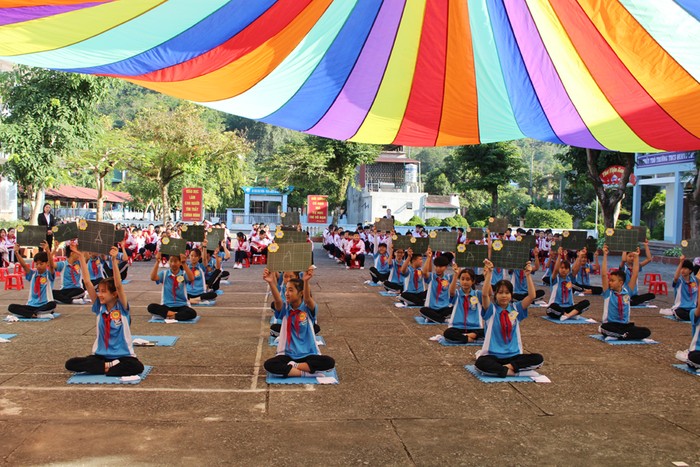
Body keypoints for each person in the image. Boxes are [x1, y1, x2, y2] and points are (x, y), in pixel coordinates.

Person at [65, 246, 144, 377]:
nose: (99, 295)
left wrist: (113, 260)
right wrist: (81, 258)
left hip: (123, 356)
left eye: (103, 292)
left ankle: (105, 368)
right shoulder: (99, 307)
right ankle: (109, 368)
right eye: (99, 291)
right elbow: (87, 282)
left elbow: (118, 285)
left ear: (114, 294)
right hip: (101, 357)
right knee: (71, 364)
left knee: (136, 366)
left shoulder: (122, 307)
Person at [474, 259, 544, 378]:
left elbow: (532, 296)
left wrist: (528, 275)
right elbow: (485, 294)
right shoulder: (491, 310)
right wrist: (489, 273)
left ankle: (506, 369)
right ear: (495, 295)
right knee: (481, 364)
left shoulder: (516, 309)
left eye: (507, 293)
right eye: (500, 292)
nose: (504, 296)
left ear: (511, 295)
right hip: (494, 356)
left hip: (513, 356)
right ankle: (515, 372)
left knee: (538, 358)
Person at [263, 267, 335, 378]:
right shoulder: (286, 308)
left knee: (329, 362)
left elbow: (307, 299)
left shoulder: (307, 308)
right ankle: (305, 373)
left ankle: (295, 367)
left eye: (291, 290)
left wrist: (306, 280)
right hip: (288, 355)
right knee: (269, 365)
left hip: (308, 354)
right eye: (286, 290)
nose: (286, 293)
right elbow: (277, 300)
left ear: (300, 293)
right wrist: (271, 282)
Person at [599, 245, 651, 340]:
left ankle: (620, 335)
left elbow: (635, 275)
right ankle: (623, 335)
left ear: (620, 283)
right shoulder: (608, 293)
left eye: (612, 281)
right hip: (611, 324)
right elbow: (603, 275)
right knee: (603, 328)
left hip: (625, 325)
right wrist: (605, 255)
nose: (610, 282)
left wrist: (636, 257)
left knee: (646, 331)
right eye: (610, 280)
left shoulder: (627, 292)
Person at [8, 242, 57, 319]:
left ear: (46, 263)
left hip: (45, 305)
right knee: (11, 307)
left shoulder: (49, 275)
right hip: (31, 306)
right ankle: (37, 315)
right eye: (37, 264)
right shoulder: (33, 274)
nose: (38, 266)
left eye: (41, 264)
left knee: (53, 304)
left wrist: (48, 251)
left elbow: (51, 266)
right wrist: (16, 252)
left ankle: (29, 314)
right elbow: (24, 265)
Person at [443, 264, 488, 343]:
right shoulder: (457, 294)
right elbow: (451, 292)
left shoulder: (478, 294)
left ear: (473, 281)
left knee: (488, 330)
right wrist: (456, 275)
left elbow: (486, 294)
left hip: (475, 327)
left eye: (468, 279)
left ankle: (468, 336)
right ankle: (469, 338)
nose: (465, 282)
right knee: (448, 333)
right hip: (458, 327)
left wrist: (487, 276)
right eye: (462, 279)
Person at [147, 252, 197, 321]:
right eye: (171, 261)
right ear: (168, 262)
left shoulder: (183, 274)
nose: (173, 264)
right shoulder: (164, 274)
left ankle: (170, 315)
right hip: (167, 306)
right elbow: (153, 278)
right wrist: (157, 262)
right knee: (151, 307)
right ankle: (175, 315)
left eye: (176, 261)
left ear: (180, 263)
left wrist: (184, 263)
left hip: (181, 305)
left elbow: (191, 278)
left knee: (192, 313)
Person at [546, 247, 591, 321]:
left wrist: (580, 256)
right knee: (551, 308)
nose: (563, 270)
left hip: (569, 307)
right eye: (562, 268)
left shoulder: (569, 279)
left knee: (586, 303)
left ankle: (568, 315)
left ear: (568, 270)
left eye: (566, 268)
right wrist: (560, 255)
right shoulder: (556, 279)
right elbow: (555, 270)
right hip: (557, 306)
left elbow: (575, 269)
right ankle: (570, 314)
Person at [419, 254, 454, 323]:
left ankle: (434, 318)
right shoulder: (431, 277)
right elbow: (424, 272)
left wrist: (456, 259)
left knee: (455, 308)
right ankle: (442, 319)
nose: (438, 268)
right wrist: (429, 258)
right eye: (436, 266)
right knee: (423, 310)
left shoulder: (448, 278)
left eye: (441, 267)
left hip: (444, 308)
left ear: (446, 267)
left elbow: (458, 274)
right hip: (431, 308)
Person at [619, 241, 655, 306]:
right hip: (624, 294)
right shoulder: (623, 267)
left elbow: (649, 259)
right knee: (627, 301)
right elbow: (623, 259)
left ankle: (633, 301)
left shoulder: (637, 266)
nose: (632, 258)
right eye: (630, 256)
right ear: (626, 256)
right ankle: (632, 301)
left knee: (651, 295)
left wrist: (646, 245)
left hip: (634, 295)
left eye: (633, 256)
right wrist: (625, 247)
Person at [670, 257, 700, 321]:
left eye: (685, 268)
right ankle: (692, 318)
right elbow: (675, 278)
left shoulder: (695, 280)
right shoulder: (679, 281)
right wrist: (681, 262)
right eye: (682, 268)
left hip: (693, 308)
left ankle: (692, 317)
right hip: (681, 308)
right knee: (679, 313)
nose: (682, 270)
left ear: (690, 270)